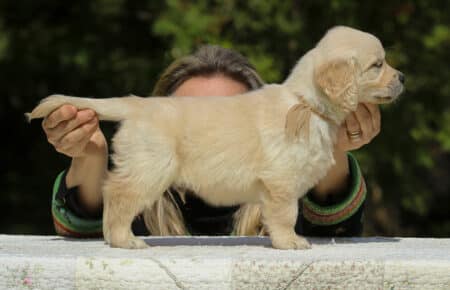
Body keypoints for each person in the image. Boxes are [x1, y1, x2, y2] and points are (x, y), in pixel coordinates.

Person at [42, 45, 380, 238]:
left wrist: (332, 145)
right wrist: (89, 158)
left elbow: (335, 226)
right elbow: (81, 238)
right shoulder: (139, 208)